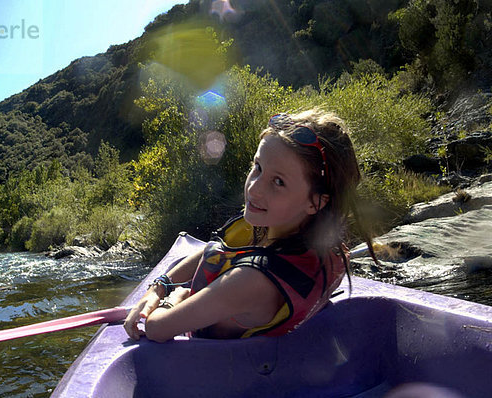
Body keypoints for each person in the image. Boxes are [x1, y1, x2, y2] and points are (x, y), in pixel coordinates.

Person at [124, 108, 376, 342]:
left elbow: (156, 328)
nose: (254, 188)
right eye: (257, 168)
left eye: (278, 182)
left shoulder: (249, 282)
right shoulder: (311, 243)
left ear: (315, 202)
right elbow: (215, 250)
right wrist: (160, 286)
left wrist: (176, 296)